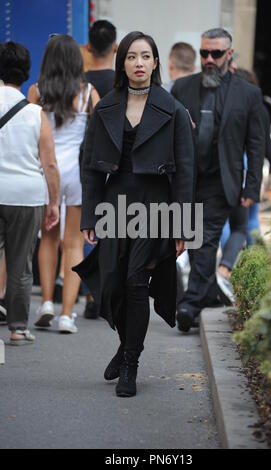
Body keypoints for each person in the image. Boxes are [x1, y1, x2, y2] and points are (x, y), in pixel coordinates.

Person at [73, 31, 195, 397]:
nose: (138, 63)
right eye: (131, 56)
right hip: (115, 202)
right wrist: (89, 216)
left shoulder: (173, 109)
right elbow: (90, 167)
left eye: (145, 56)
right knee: (112, 281)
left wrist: (183, 226)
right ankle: (126, 345)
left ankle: (131, 364)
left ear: (156, 62)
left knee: (136, 281)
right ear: (121, 62)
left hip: (156, 205)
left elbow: (186, 170)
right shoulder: (106, 106)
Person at [172, 28, 265, 332]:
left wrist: (252, 186)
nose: (208, 59)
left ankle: (189, 303)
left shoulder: (247, 94)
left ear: (229, 55)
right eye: (204, 53)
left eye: (215, 54)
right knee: (195, 241)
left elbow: (256, 143)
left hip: (222, 181)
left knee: (206, 237)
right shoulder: (181, 88)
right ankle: (208, 294)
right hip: (187, 180)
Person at [28, 35, 99, 334]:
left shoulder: (37, 92)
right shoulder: (88, 93)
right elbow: (99, 135)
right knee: (73, 244)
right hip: (77, 174)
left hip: (46, 171)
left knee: (47, 239)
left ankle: (46, 301)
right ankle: (68, 315)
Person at [0, 41, 60, 345]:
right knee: (21, 264)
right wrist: (53, 204)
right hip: (27, 196)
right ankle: (18, 328)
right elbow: (49, 163)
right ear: (25, 73)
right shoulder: (35, 113)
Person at [217, 68, 271, 305]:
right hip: (249, 169)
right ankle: (248, 268)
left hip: (235, 168)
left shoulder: (229, 103)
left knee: (233, 222)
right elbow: (264, 142)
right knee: (247, 221)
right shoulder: (257, 106)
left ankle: (229, 268)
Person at [82, 19, 118, 320]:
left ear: (88, 48)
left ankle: (90, 292)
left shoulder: (81, 84)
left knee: (88, 227)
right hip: (117, 164)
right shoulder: (123, 83)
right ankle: (105, 289)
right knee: (111, 228)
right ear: (117, 48)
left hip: (87, 162)